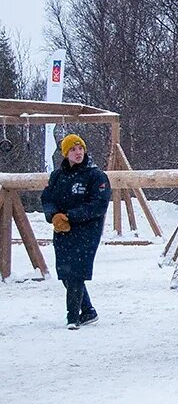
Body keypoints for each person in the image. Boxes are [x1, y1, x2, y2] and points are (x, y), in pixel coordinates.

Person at [41, 134, 111, 329]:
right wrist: (53, 215)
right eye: (73, 149)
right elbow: (47, 198)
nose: (78, 152)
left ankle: (72, 317)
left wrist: (71, 216)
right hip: (62, 229)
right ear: (65, 153)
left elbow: (99, 204)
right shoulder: (57, 176)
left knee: (77, 272)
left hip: (87, 230)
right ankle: (88, 311)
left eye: (80, 148)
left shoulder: (95, 175)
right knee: (65, 271)